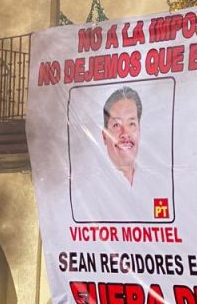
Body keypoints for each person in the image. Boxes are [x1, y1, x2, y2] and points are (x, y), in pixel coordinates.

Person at [71, 86, 172, 223]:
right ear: (104, 136)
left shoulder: (158, 183)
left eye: (131, 124)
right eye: (116, 125)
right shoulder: (87, 190)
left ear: (140, 130)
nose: (125, 133)